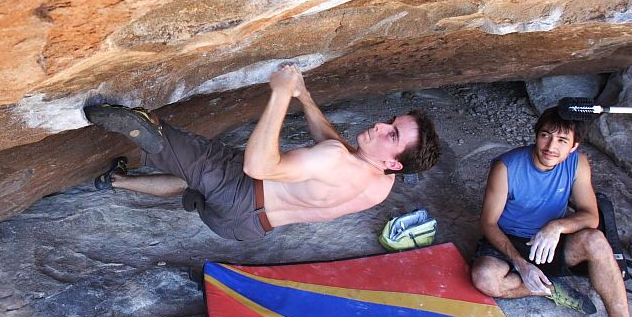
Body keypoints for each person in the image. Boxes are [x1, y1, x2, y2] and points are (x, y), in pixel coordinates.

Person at [83, 63, 440, 242]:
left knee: (168, 135)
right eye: (390, 121)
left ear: (394, 160)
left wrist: (282, 93)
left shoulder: (334, 158)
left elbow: (258, 165)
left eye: (391, 134)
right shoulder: (381, 184)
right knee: (188, 180)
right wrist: (306, 96)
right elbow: (334, 147)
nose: (380, 126)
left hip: (239, 188)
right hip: (244, 228)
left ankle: (141, 129)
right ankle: (115, 182)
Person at [470, 107, 632, 317]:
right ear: (536, 134)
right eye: (546, 135)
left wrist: (556, 226)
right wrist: (521, 264)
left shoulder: (578, 164)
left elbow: (591, 215)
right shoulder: (506, 167)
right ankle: (547, 288)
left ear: (574, 146)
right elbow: (488, 223)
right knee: (484, 278)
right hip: (508, 241)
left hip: (549, 242)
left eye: (562, 140)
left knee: (596, 240)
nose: (551, 146)